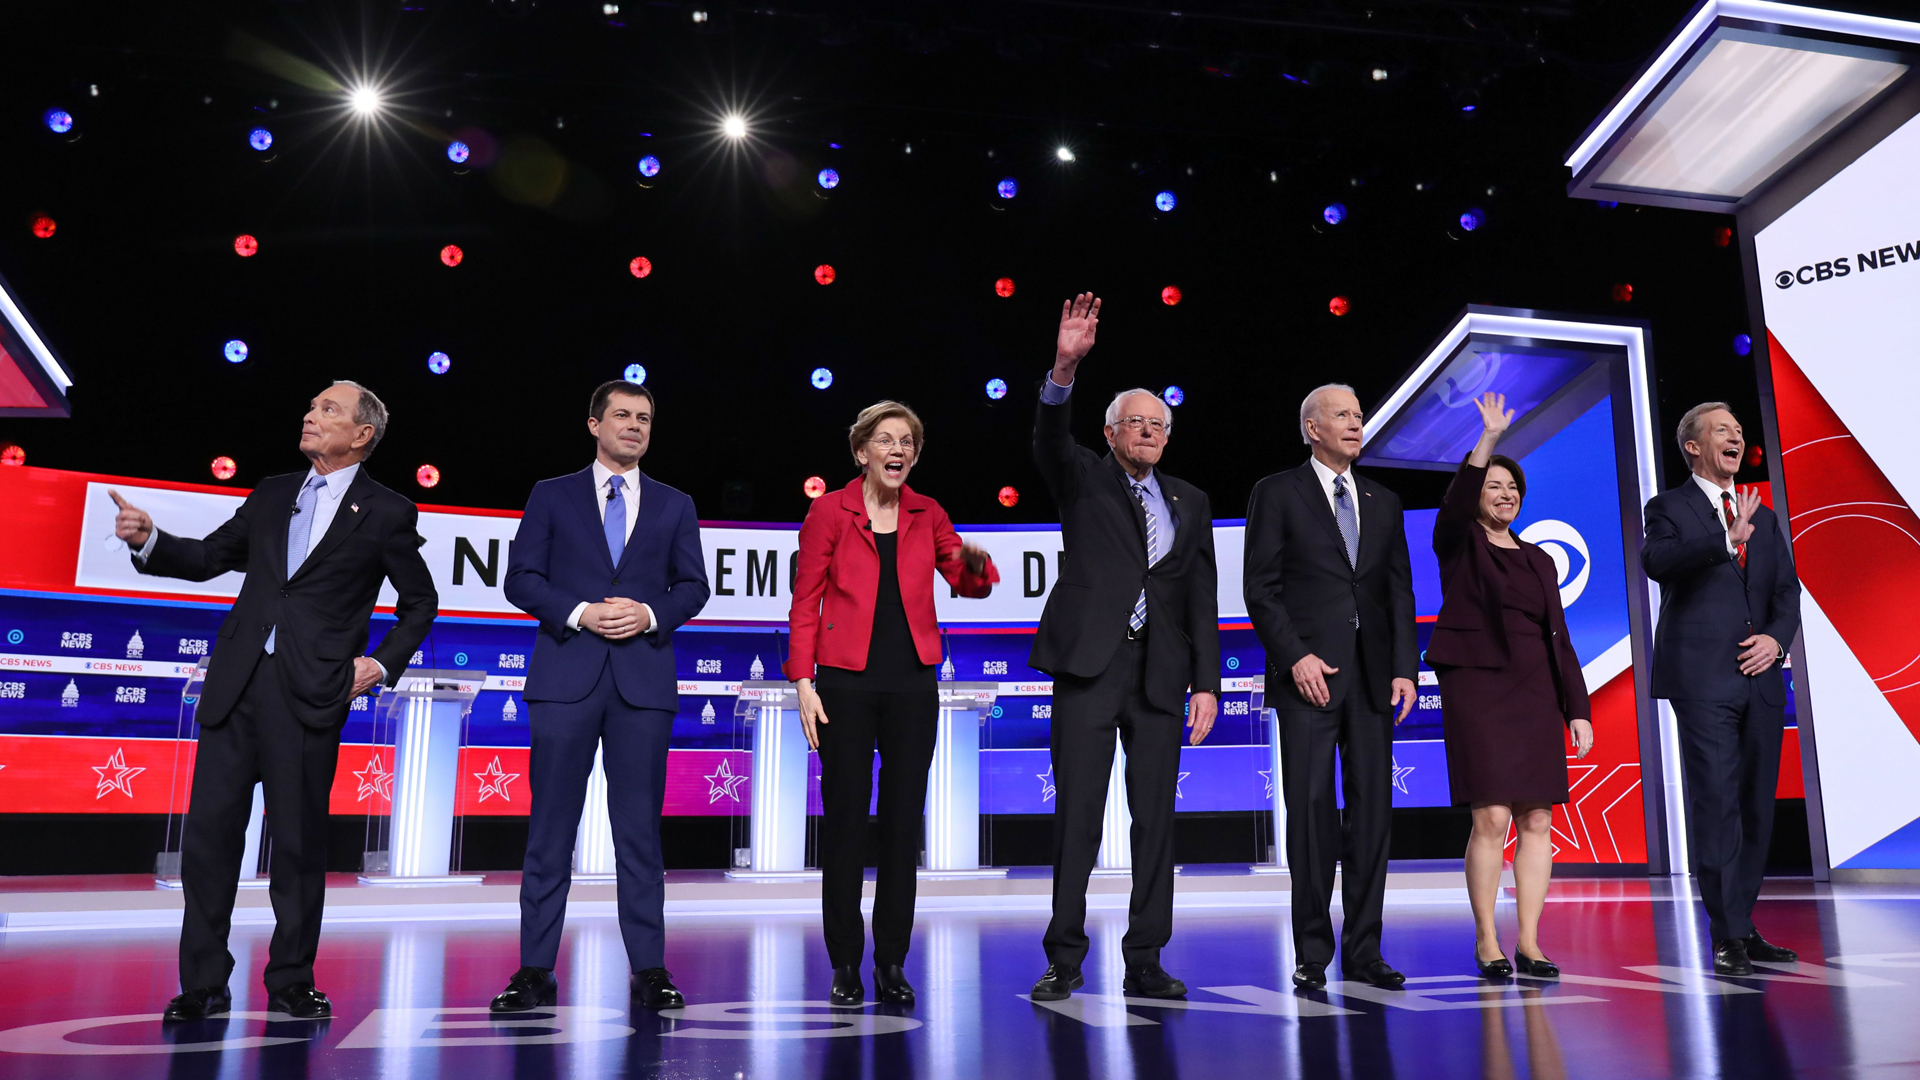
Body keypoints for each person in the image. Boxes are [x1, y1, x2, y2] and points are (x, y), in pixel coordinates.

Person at [109, 381, 438, 1022]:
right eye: (313, 406)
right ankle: (203, 983)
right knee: (208, 844)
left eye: (327, 410)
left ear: (362, 434)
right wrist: (149, 538)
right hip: (237, 688)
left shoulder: (389, 511)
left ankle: (291, 979)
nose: (310, 416)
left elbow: (419, 602)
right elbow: (207, 558)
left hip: (311, 694)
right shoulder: (271, 493)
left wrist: (377, 665)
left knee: (297, 846)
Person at [490, 380, 712, 1013]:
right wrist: (582, 611)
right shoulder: (551, 495)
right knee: (549, 832)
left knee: (639, 833)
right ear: (594, 424)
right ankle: (534, 969)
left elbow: (691, 587)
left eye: (644, 417)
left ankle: (650, 968)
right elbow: (522, 578)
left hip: (642, 683)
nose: (634, 426)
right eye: (622, 415)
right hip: (566, 680)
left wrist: (647, 613)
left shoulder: (675, 504)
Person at [1026, 293, 1221, 1003]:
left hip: (1163, 677)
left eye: (1157, 425)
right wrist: (1064, 368)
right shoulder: (1081, 475)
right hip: (1090, 666)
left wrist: (1207, 683)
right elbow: (1049, 437)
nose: (1146, 432)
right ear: (1109, 433)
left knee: (1156, 825)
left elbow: (1202, 597)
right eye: (1134, 423)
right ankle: (1065, 960)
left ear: (1168, 437)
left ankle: (1145, 959)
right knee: (1077, 818)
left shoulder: (1190, 502)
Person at [785, 401, 1000, 1007]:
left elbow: (967, 582)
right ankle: (846, 965)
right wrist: (804, 682)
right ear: (862, 451)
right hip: (844, 687)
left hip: (912, 687)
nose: (898, 449)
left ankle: (892, 962)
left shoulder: (929, 513)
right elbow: (806, 601)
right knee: (847, 828)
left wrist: (977, 565)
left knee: (904, 829)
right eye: (886, 440)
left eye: (908, 441)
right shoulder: (830, 511)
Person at [1243, 382, 1417, 991]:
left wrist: (1404, 667)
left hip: (1373, 680)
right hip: (1307, 681)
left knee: (1373, 816)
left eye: (1359, 415)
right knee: (1313, 817)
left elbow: (1399, 590)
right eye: (1343, 415)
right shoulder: (1276, 492)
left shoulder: (1383, 499)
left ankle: (1366, 951)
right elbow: (1260, 588)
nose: (1355, 423)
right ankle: (1312, 953)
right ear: (1311, 428)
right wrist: (1295, 657)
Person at [1427, 392, 1594, 980]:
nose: (1505, 495)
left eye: (1513, 488)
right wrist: (1489, 440)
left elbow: (1560, 637)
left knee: (1538, 820)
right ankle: (1485, 939)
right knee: (1491, 817)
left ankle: (1529, 941)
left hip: (1534, 690)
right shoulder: (1460, 541)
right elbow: (1452, 507)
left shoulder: (1539, 559)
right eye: (1494, 486)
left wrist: (1578, 708)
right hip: (1478, 685)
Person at [1642, 402, 1802, 976]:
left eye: (1737, 430)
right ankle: (1727, 932)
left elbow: (1787, 593)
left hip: (1760, 680)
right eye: (1722, 430)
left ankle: (1744, 922)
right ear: (1692, 446)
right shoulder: (1669, 507)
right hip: (1703, 680)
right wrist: (1721, 538)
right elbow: (1657, 561)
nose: (1736, 437)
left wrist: (1776, 644)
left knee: (1757, 805)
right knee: (1716, 804)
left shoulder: (1765, 515)